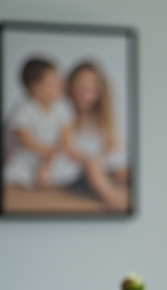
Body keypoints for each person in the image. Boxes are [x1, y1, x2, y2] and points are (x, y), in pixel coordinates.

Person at [61, 61, 129, 212]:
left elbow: (111, 151)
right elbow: (68, 150)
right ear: (69, 87)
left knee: (126, 170)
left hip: (98, 169)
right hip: (72, 171)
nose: (85, 94)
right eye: (80, 88)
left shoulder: (100, 120)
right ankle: (114, 199)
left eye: (91, 90)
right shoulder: (62, 114)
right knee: (92, 162)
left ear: (100, 92)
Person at [3, 57, 76, 191]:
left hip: (53, 157)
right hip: (26, 159)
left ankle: (45, 179)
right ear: (37, 88)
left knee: (71, 169)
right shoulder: (23, 109)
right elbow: (27, 142)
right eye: (55, 83)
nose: (62, 86)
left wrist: (49, 161)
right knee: (11, 174)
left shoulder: (63, 107)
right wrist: (49, 153)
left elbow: (66, 140)